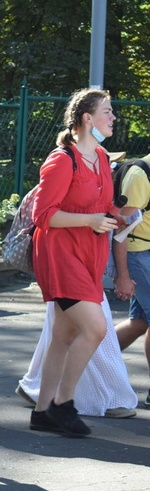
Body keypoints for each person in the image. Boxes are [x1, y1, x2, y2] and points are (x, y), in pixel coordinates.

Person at [28, 88, 118, 437]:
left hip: (89, 254)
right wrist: (91, 221)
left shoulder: (102, 157)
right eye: (107, 112)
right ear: (87, 119)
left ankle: (41, 412)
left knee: (64, 334)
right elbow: (43, 215)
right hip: (60, 254)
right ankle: (63, 404)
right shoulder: (62, 159)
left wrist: (115, 218)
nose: (113, 118)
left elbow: (101, 206)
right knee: (95, 328)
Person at [17, 295, 138, 417]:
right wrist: (123, 275)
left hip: (86, 279)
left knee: (64, 335)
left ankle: (44, 408)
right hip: (72, 279)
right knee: (92, 329)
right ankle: (60, 404)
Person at [111, 150, 150, 409]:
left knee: (139, 323)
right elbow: (122, 230)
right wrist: (123, 275)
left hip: (146, 251)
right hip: (139, 254)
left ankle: (85, 363)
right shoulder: (139, 175)